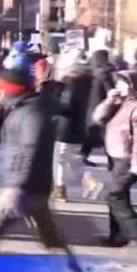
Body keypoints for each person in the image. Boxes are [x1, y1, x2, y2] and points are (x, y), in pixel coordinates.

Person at [0, 69, 81, 271]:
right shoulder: (20, 108)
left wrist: (18, 184)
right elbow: (2, 138)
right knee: (51, 238)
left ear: (10, 89)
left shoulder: (33, 112)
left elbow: (31, 148)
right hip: (29, 183)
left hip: (23, 184)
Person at [91, 69, 137, 250]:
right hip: (114, 156)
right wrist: (109, 101)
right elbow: (98, 118)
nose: (118, 86)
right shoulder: (120, 103)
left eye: (122, 83)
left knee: (115, 195)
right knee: (118, 197)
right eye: (117, 82)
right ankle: (117, 237)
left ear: (133, 86)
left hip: (126, 158)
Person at [51, 50, 93, 202]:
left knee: (60, 158)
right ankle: (88, 180)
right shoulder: (87, 79)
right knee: (71, 159)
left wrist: (50, 104)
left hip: (65, 125)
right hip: (79, 124)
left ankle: (60, 189)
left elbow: (67, 104)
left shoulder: (71, 81)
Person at [82, 49, 115, 167]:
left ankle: (84, 154)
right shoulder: (104, 73)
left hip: (89, 106)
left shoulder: (88, 71)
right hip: (102, 107)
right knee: (106, 135)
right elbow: (110, 91)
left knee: (92, 133)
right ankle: (112, 161)